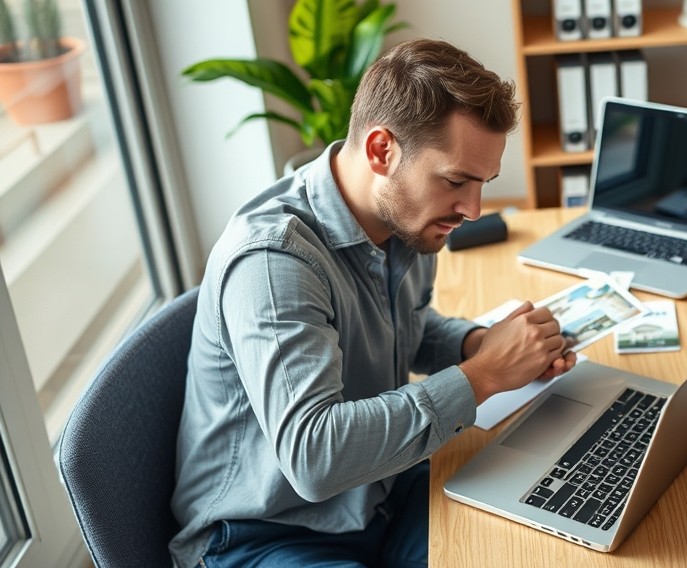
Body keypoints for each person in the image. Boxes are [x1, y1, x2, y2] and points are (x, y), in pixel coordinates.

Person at [169, 38, 577, 567]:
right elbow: (314, 457)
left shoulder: (409, 218)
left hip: (377, 493)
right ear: (382, 150)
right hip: (264, 533)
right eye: (457, 180)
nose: (473, 209)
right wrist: (484, 375)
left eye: (483, 184)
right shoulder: (273, 262)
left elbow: (403, 327)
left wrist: (483, 343)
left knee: (544, 523)